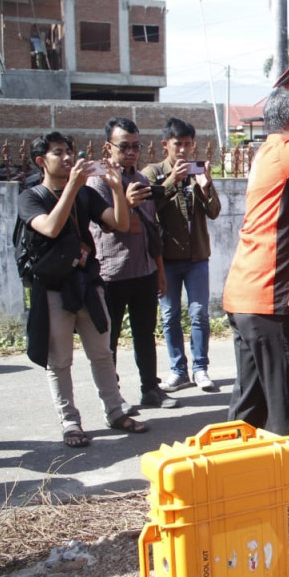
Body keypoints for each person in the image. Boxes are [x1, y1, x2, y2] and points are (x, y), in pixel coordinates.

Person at [18, 131, 148, 447]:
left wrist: (117, 190)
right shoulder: (30, 197)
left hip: (87, 284)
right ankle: (70, 423)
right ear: (41, 161)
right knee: (60, 360)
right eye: (58, 152)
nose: (67, 157)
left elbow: (118, 223)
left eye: (69, 151)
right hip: (52, 288)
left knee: (102, 352)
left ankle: (115, 412)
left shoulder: (85, 194)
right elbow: (49, 227)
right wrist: (73, 188)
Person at [223, 89, 289, 439]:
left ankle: (235, 479)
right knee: (287, 405)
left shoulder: (265, 152)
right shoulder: (288, 152)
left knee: (249, 404)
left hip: (244, 296)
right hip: (268, 300)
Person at [88, 117, 178, 411]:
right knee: (109, 340)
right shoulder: (97, 181)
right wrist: (124, 201)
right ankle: (113, 399)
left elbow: (153, 228)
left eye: (136, 147)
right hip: (111, 271)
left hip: (144, 270)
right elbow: (109, 223)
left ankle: (150, 389)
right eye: (124, 146)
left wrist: (160, 269)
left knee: (145, 333)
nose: (131, 152)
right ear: (108, 147)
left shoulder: (141, 179)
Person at [144, 118, 222, 393]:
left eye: (189, 144)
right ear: (166, 145)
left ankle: (200, 368)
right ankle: (178, 370)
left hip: (197, 257)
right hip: (166, 259)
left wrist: (206, 184)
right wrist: (170, 181)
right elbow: (148, 208)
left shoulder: (197, 170)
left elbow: (214, 211)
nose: (184, 150)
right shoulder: (153, 173)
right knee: (169, 315)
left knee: (199, 313)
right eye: (178, 144)